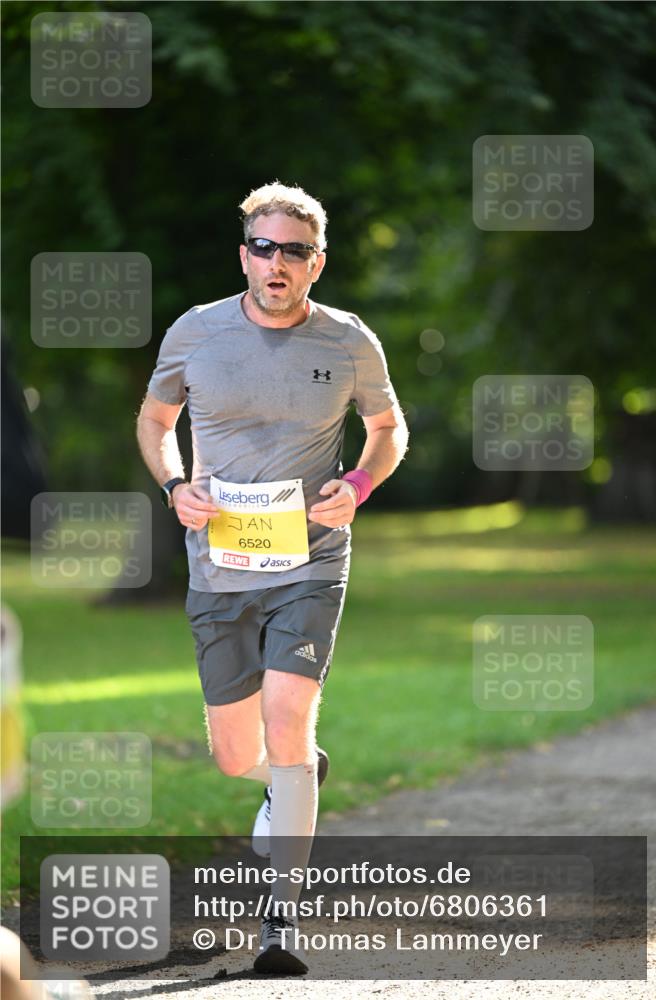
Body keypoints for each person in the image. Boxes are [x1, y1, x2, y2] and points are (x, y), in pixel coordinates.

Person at [137, 181, 408, 974]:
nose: (277, 262)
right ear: (245, 255)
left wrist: (355, 488)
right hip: (219, 563)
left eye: (294, 250)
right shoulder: (196, 331)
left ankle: (279, 927)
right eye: (264, 247)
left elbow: (387, 429)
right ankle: (293, 779)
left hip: (310, 560)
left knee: (289, 718)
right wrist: (173, 486)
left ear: (315, 263)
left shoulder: (349, 341)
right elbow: (155, 422)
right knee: (233, 755)